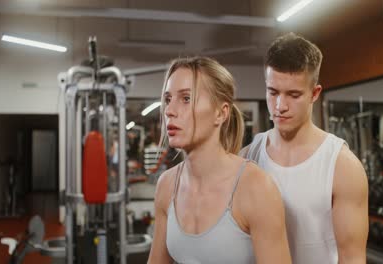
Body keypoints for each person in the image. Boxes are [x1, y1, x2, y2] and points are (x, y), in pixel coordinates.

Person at [147, 57, 291, 264]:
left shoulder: (256, 187)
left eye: (186, 99)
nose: (169, 110)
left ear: (220, 113)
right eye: (168, 99)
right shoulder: (167, 185)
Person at [240, 33, 368, 263]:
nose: (280, 106)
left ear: (315, 93)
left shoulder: (343, 166)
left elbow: (352, 258)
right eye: (273, 92)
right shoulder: (249, 155)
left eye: (293, 94)